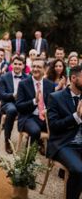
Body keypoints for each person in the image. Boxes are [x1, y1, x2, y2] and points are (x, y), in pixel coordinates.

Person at [47, 65, 82, 199]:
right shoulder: (55, 97)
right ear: (73, 78)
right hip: (64, 143)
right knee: (79, 170)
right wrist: (76, 117)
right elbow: (54, 126)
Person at [16, 58, 54, 153]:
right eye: (34, 66)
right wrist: (34, 101)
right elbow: (19, 106)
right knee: (35, 131)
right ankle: (29, 156)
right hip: (28, 117)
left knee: (60, 128)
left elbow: (53, 104)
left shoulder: (50, 85)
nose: (35, 69)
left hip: (45, 117)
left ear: (45, 70)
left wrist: (48, 110)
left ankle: (52, 155)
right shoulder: (23, 84)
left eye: (39, 67)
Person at [0, 56, 28, 154]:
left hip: (22, 104)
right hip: (8, 103)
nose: (17, 66)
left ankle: (33, 140)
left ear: (23, 66)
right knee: (12, 110)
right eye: (15, 64)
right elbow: (1, 94)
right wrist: (13, 95)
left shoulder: (27, 78)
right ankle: (7, 140)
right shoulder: (4, 77)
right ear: (11, 65)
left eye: (20, 64)